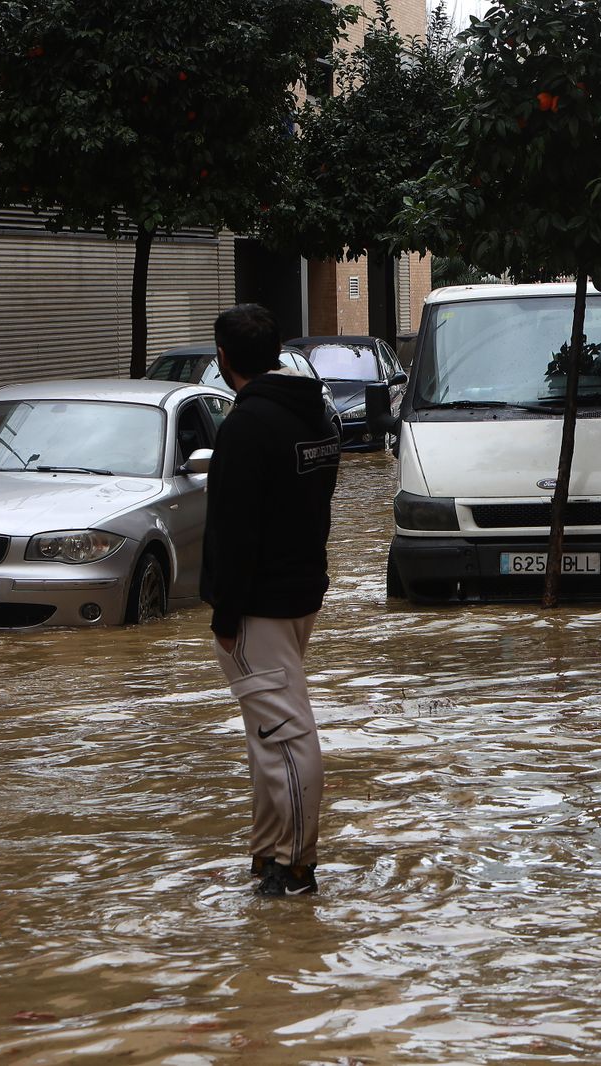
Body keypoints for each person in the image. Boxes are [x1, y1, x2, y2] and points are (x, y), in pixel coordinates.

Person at [202, 303, 341, 896]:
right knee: (269, 732)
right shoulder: (316, 415)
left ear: (223, 358)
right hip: (300, 594)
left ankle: (295, 864)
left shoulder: (246, 426)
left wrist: (225, 614)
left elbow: (236, 531)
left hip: (259, 605)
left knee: (286, 734)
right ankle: (268, 853)